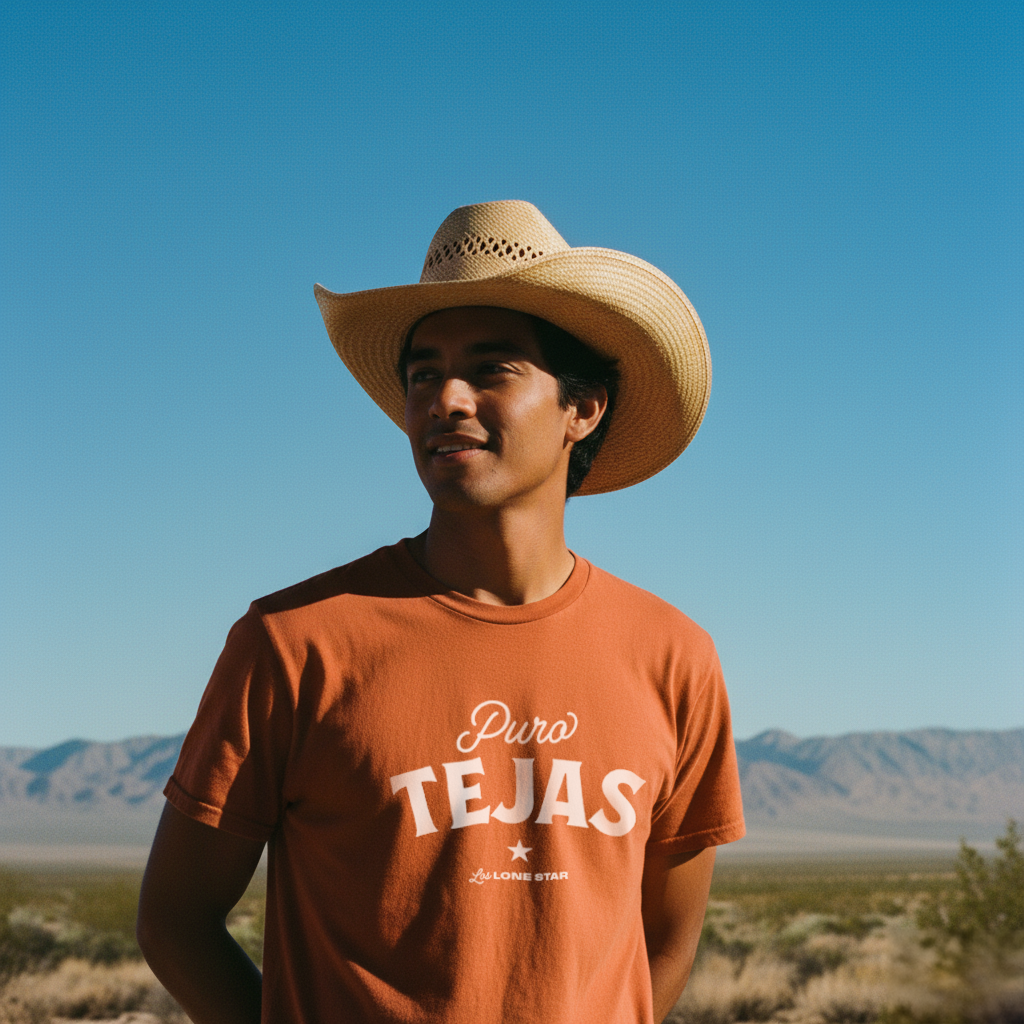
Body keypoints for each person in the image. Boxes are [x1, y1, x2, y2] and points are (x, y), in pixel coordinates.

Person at [136, 200, 746, 1024]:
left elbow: (666, 940)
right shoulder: (294, 644)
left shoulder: (672, 658)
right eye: (424, 373)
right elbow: (175, 922)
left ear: (583, 408)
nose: (445, 398)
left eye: (491, 369)